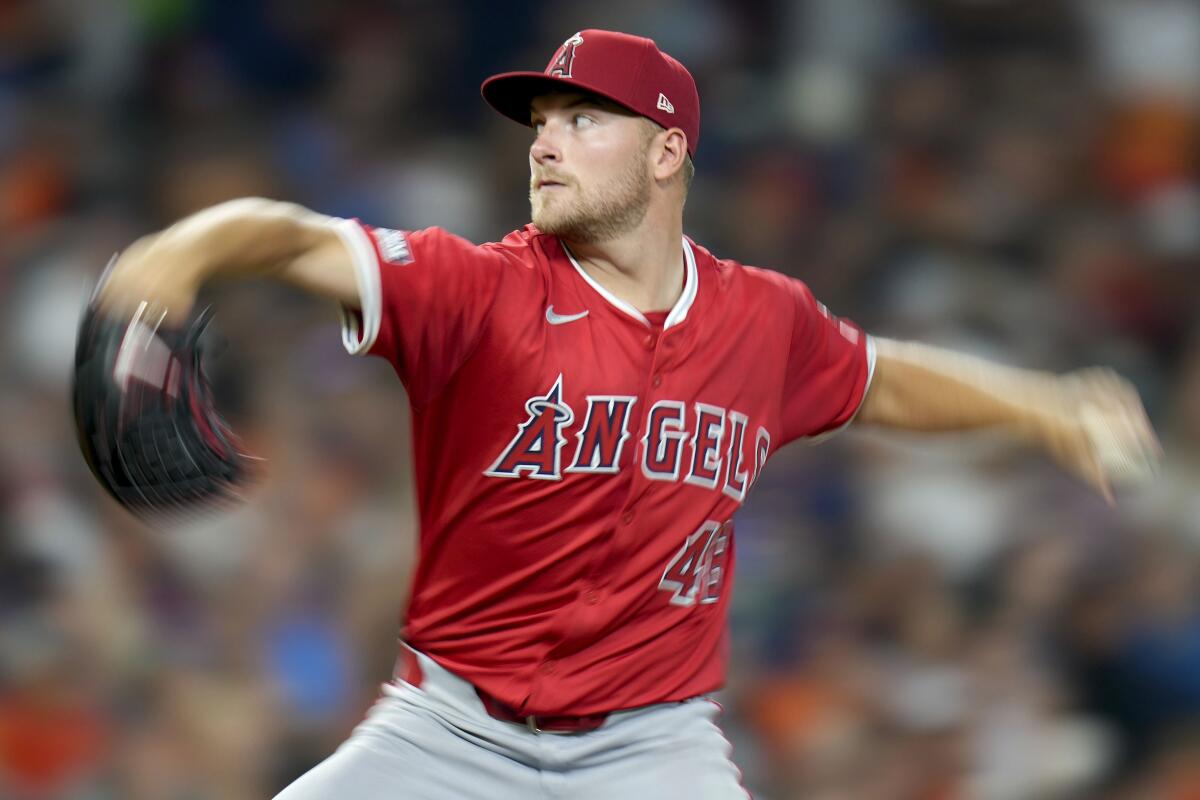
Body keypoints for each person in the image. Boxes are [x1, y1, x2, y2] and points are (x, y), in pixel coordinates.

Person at [94, 29, 1159, 800]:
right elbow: (288, 238)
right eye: (541, 123)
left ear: (665, 153)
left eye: (581, 120)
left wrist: (1048, 408)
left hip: (654, 752)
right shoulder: (476, 287)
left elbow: (885, 380)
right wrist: (178, 255)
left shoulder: (763, 318)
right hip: (449, 735)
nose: (545, 143)